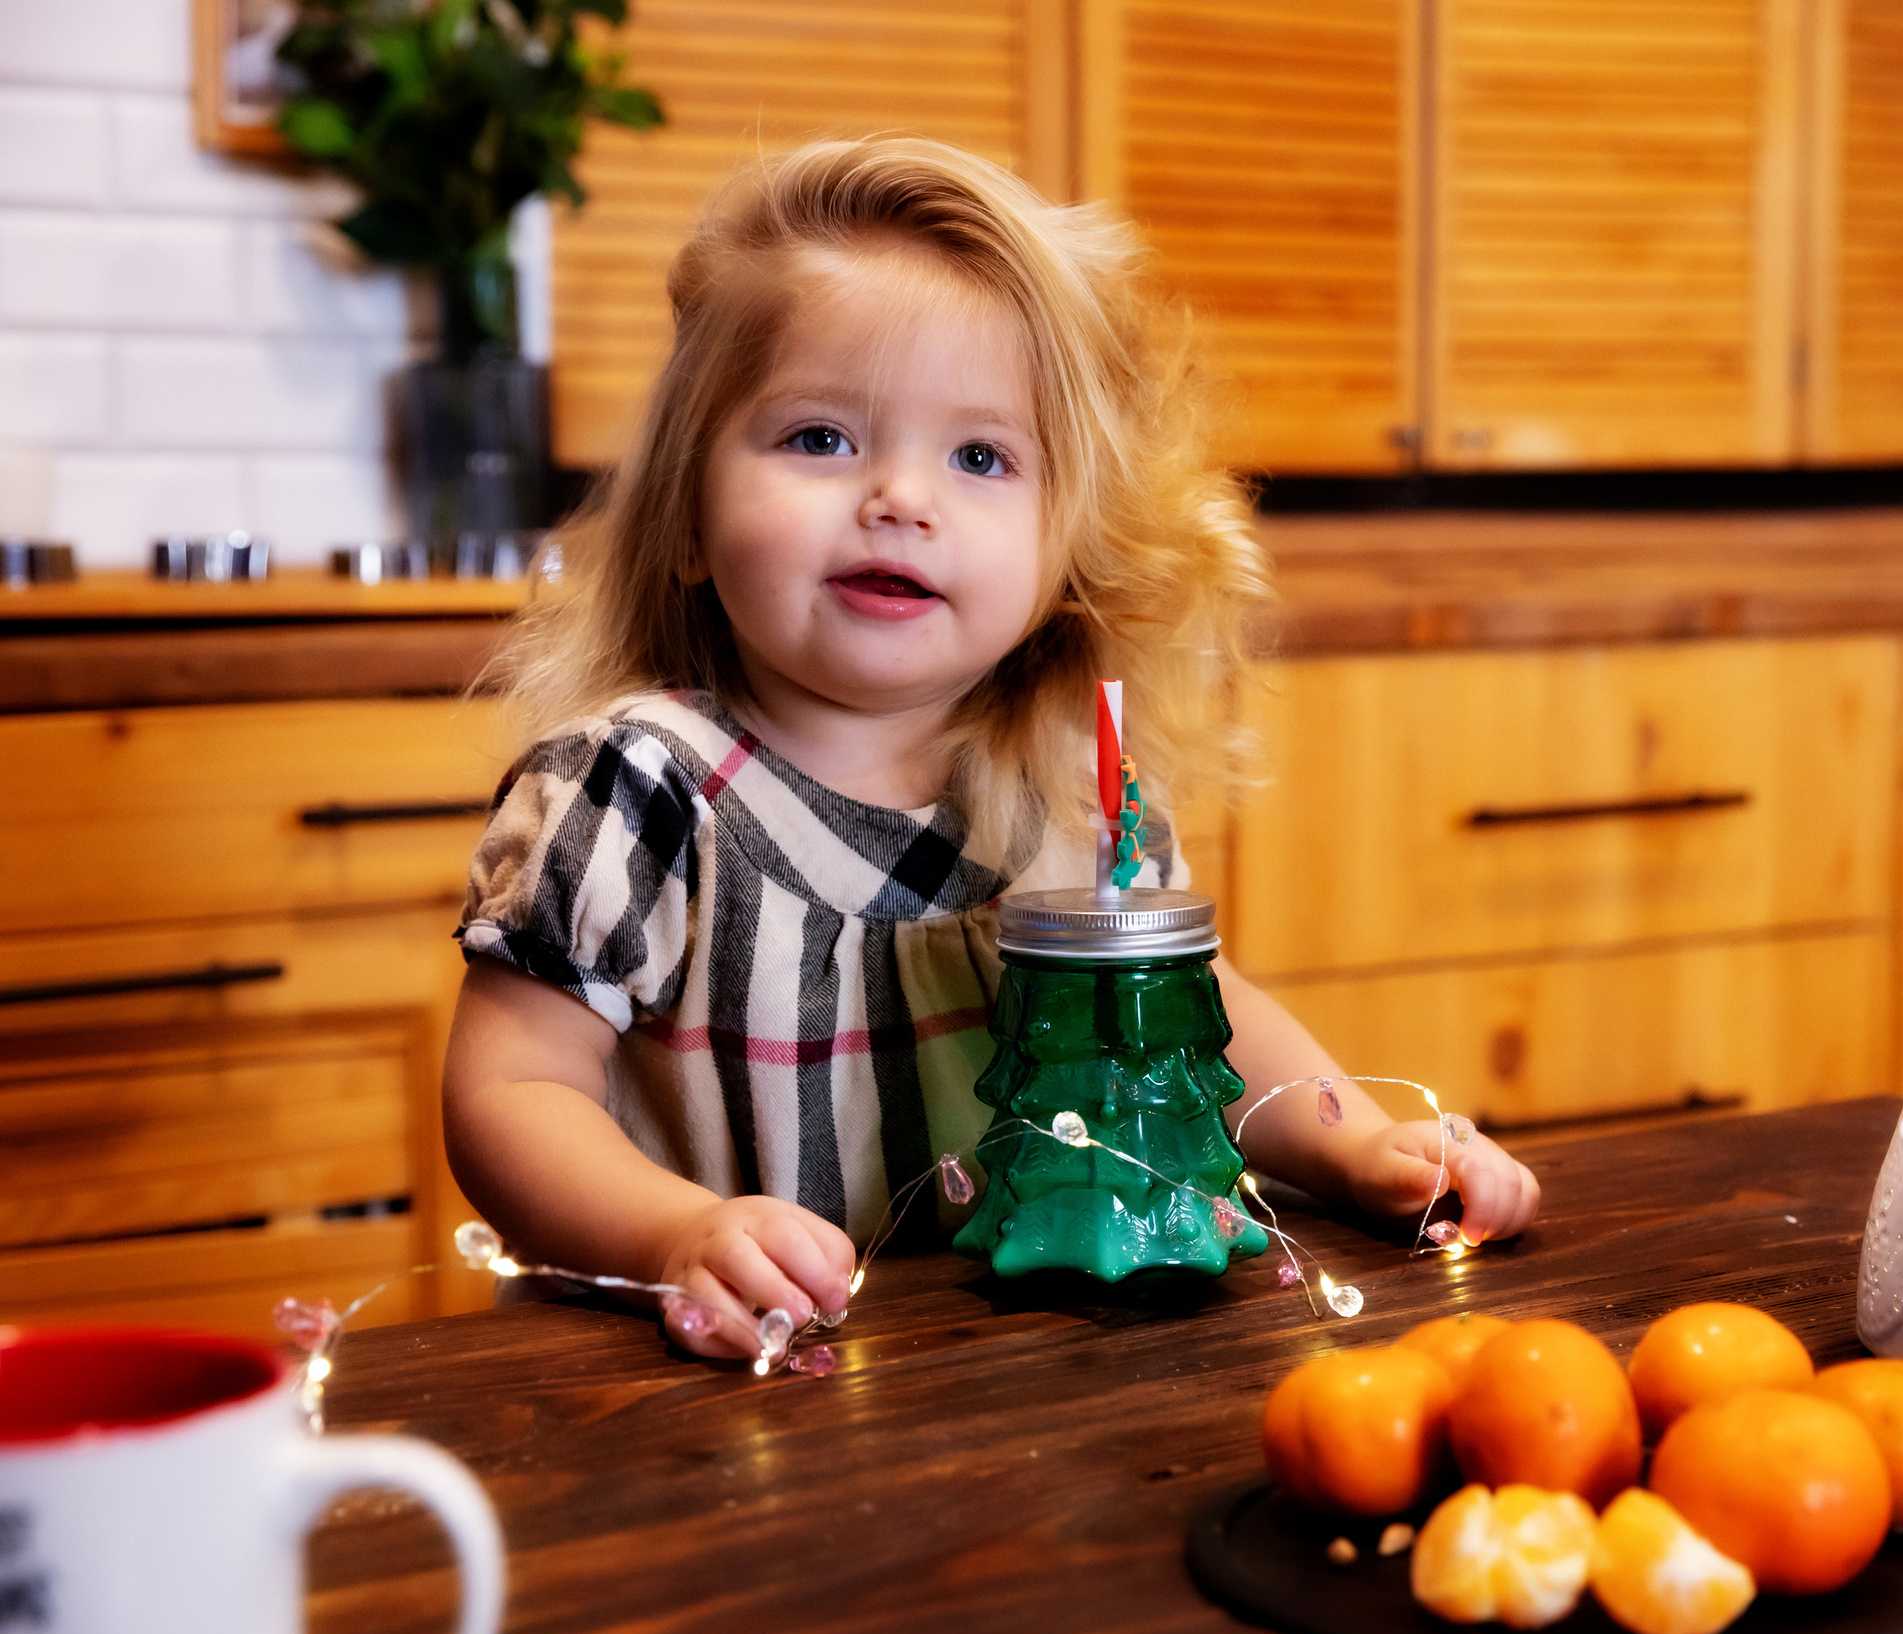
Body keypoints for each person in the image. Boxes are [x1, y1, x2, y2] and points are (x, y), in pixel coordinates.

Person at [442, 137, 1541, 1360]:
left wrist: (1347, 1140)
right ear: (689, 522)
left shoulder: (1077, 788)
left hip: (988, 1378)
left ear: (1062, 549)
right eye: (819, 438)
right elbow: (512, 1093)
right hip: (700, 1392)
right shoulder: (637, 787)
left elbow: (1192, 1014)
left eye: (980, 457)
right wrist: (671, 1237)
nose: (901, 498)